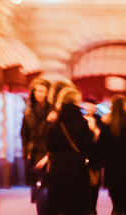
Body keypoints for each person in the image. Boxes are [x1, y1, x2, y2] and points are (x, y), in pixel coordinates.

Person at [43, 82, 98, 215]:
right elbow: (87, 148)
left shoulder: (56, 122)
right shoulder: (83, 123)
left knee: (58, 205)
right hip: (77, 168)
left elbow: (49, 145)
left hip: (58, 168)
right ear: (76, 101)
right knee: (76, 205)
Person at [25, 78, 54, 215]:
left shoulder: (53, 113)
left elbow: (55, 139)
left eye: (41, 91)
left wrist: (48, 156)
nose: (38, 93)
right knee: (38, 194)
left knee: (47, 194)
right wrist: (27, 152)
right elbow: (24, 135)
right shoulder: (29, 112)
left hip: (49, 157)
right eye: (36, 90)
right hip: (34, 156)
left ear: (48, 93)